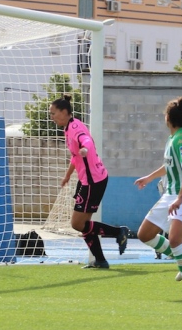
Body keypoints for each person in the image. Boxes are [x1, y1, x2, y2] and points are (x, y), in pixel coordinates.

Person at [134, 97, 182, 302]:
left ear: (168, 118)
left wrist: (180, 198)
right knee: (144, 234)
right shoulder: (173, 139)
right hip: (171, 193)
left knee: (175, 239)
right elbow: (170, 166)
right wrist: (149, 177)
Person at [50, 96, 129, 269]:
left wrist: (86, 148)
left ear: (64, 112)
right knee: (84, 224)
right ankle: (100, 260)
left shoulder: (76, 128)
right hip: (86, 180)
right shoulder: (68, 128)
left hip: (93, 181)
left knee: (77, 224)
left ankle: (118, 232)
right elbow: (75, 156)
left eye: (53, 113)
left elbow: (86, 141)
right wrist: (68, 175)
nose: (52, 117)